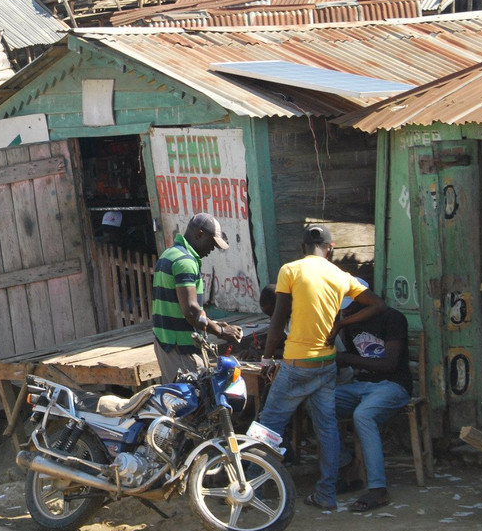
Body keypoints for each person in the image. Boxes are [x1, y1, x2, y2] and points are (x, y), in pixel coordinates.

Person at [257, 224, 386, 510]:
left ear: (302, 247)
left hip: (297, 364)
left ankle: (253, 488)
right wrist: (341, 323)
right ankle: (326, 494)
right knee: (327, 429)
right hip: (326, 364)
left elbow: (277, 321)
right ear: (331, 249)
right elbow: (377, 304)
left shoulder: (290, 270)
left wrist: (266, 359)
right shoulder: (341, 276)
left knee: (267, 426)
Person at [335, 304, 412, 512]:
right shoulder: (350, 324)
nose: (346, 313)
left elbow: (389, 364)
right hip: (361, 385)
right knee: (320, 404)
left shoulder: (392, 318)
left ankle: (378, 489)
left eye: (350, 308)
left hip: (393, 385)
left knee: (363, 415)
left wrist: (346, 359)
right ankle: (347, 467)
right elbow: (351, 360)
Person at [151, 213, 243, 382]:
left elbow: (179, 306)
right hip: (181, 349)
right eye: (212, 243)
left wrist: (212, 323)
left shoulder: (169, 254)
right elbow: (191, 311)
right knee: (195, 396)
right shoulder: (185, 262)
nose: (212, 249)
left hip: (168, 344)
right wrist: (221, 331)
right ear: (200, 234)